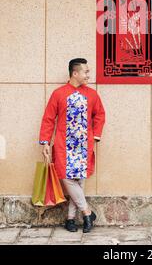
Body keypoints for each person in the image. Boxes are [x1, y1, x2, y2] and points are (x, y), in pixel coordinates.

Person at [39, 58, 105, 233]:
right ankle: (87, 213)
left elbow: (100, 115)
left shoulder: (92, 94)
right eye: (86, 72)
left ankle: (70, 219)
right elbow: (48, 118)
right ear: (75, 73)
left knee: (80, 180)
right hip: (63, 145)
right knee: (67, 177)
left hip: (84, 144)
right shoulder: (58, 93)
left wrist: (96, 137)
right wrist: (45, 141)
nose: (88, 75)